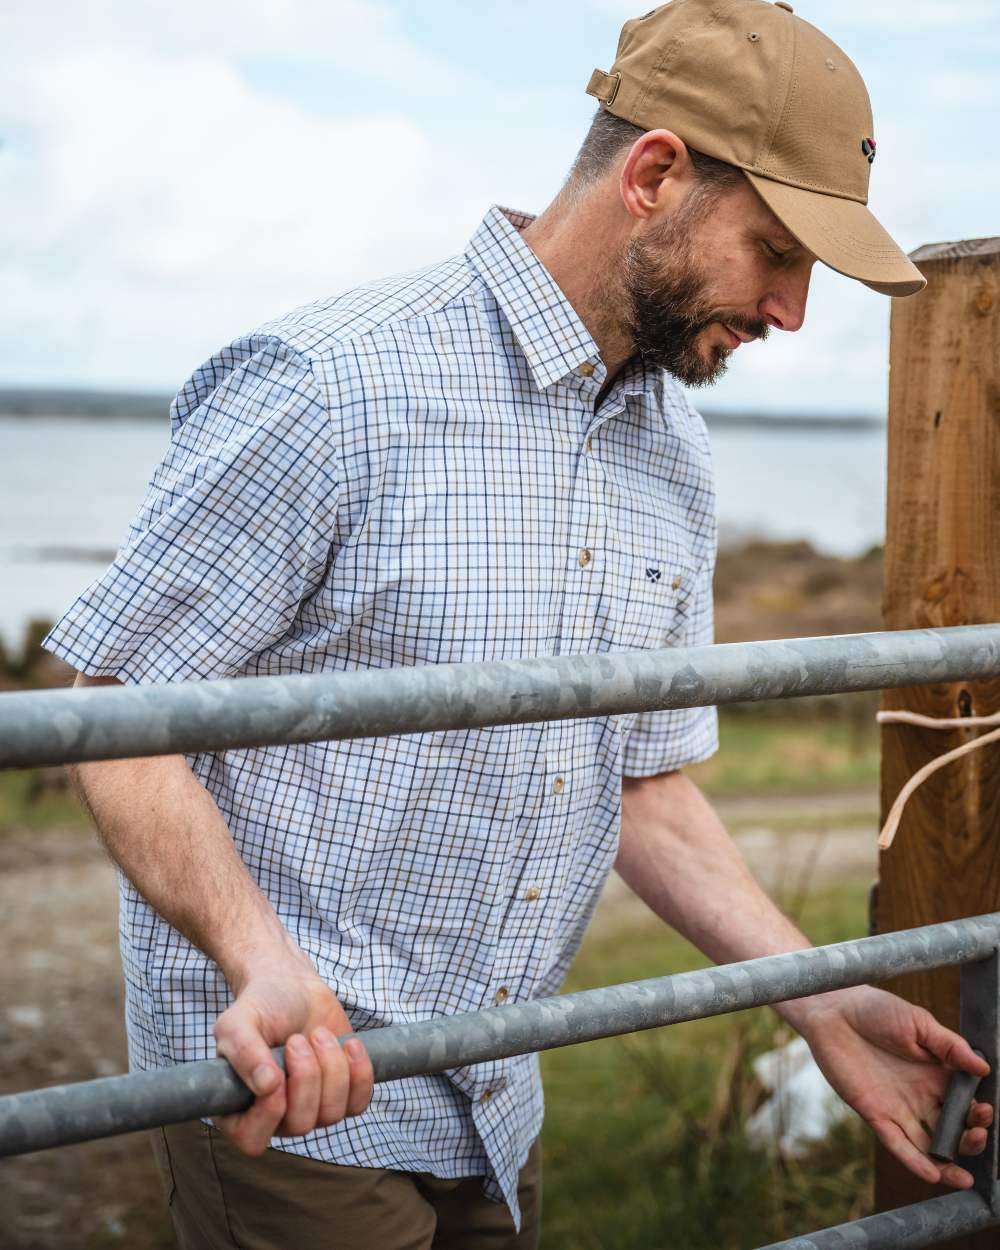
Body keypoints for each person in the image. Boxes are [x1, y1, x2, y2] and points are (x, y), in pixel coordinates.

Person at [42, 1, 992, 1247]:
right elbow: (111, 704)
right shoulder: (332, 386)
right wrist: (256, 958)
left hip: (501, 1087)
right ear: (654, 174)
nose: (790, 311)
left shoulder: (675, 453)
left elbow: (642, 785)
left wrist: (815, 998)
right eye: (775, 251)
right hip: (300, 1093)